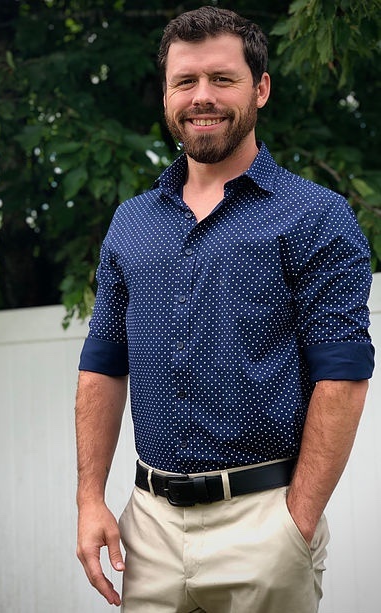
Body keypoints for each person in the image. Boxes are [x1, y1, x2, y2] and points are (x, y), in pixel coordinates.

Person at [75, 6, 375, 613]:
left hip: (265, 524)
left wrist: (297, 522)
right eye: (185, 81)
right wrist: (89, 500)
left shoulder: (315, 216)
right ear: (167, 95)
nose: (202, 97)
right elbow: (101, 367)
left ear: (260, 88)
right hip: (148, 529)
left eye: (222, 79)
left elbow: (342, 378)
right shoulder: (131, 223)